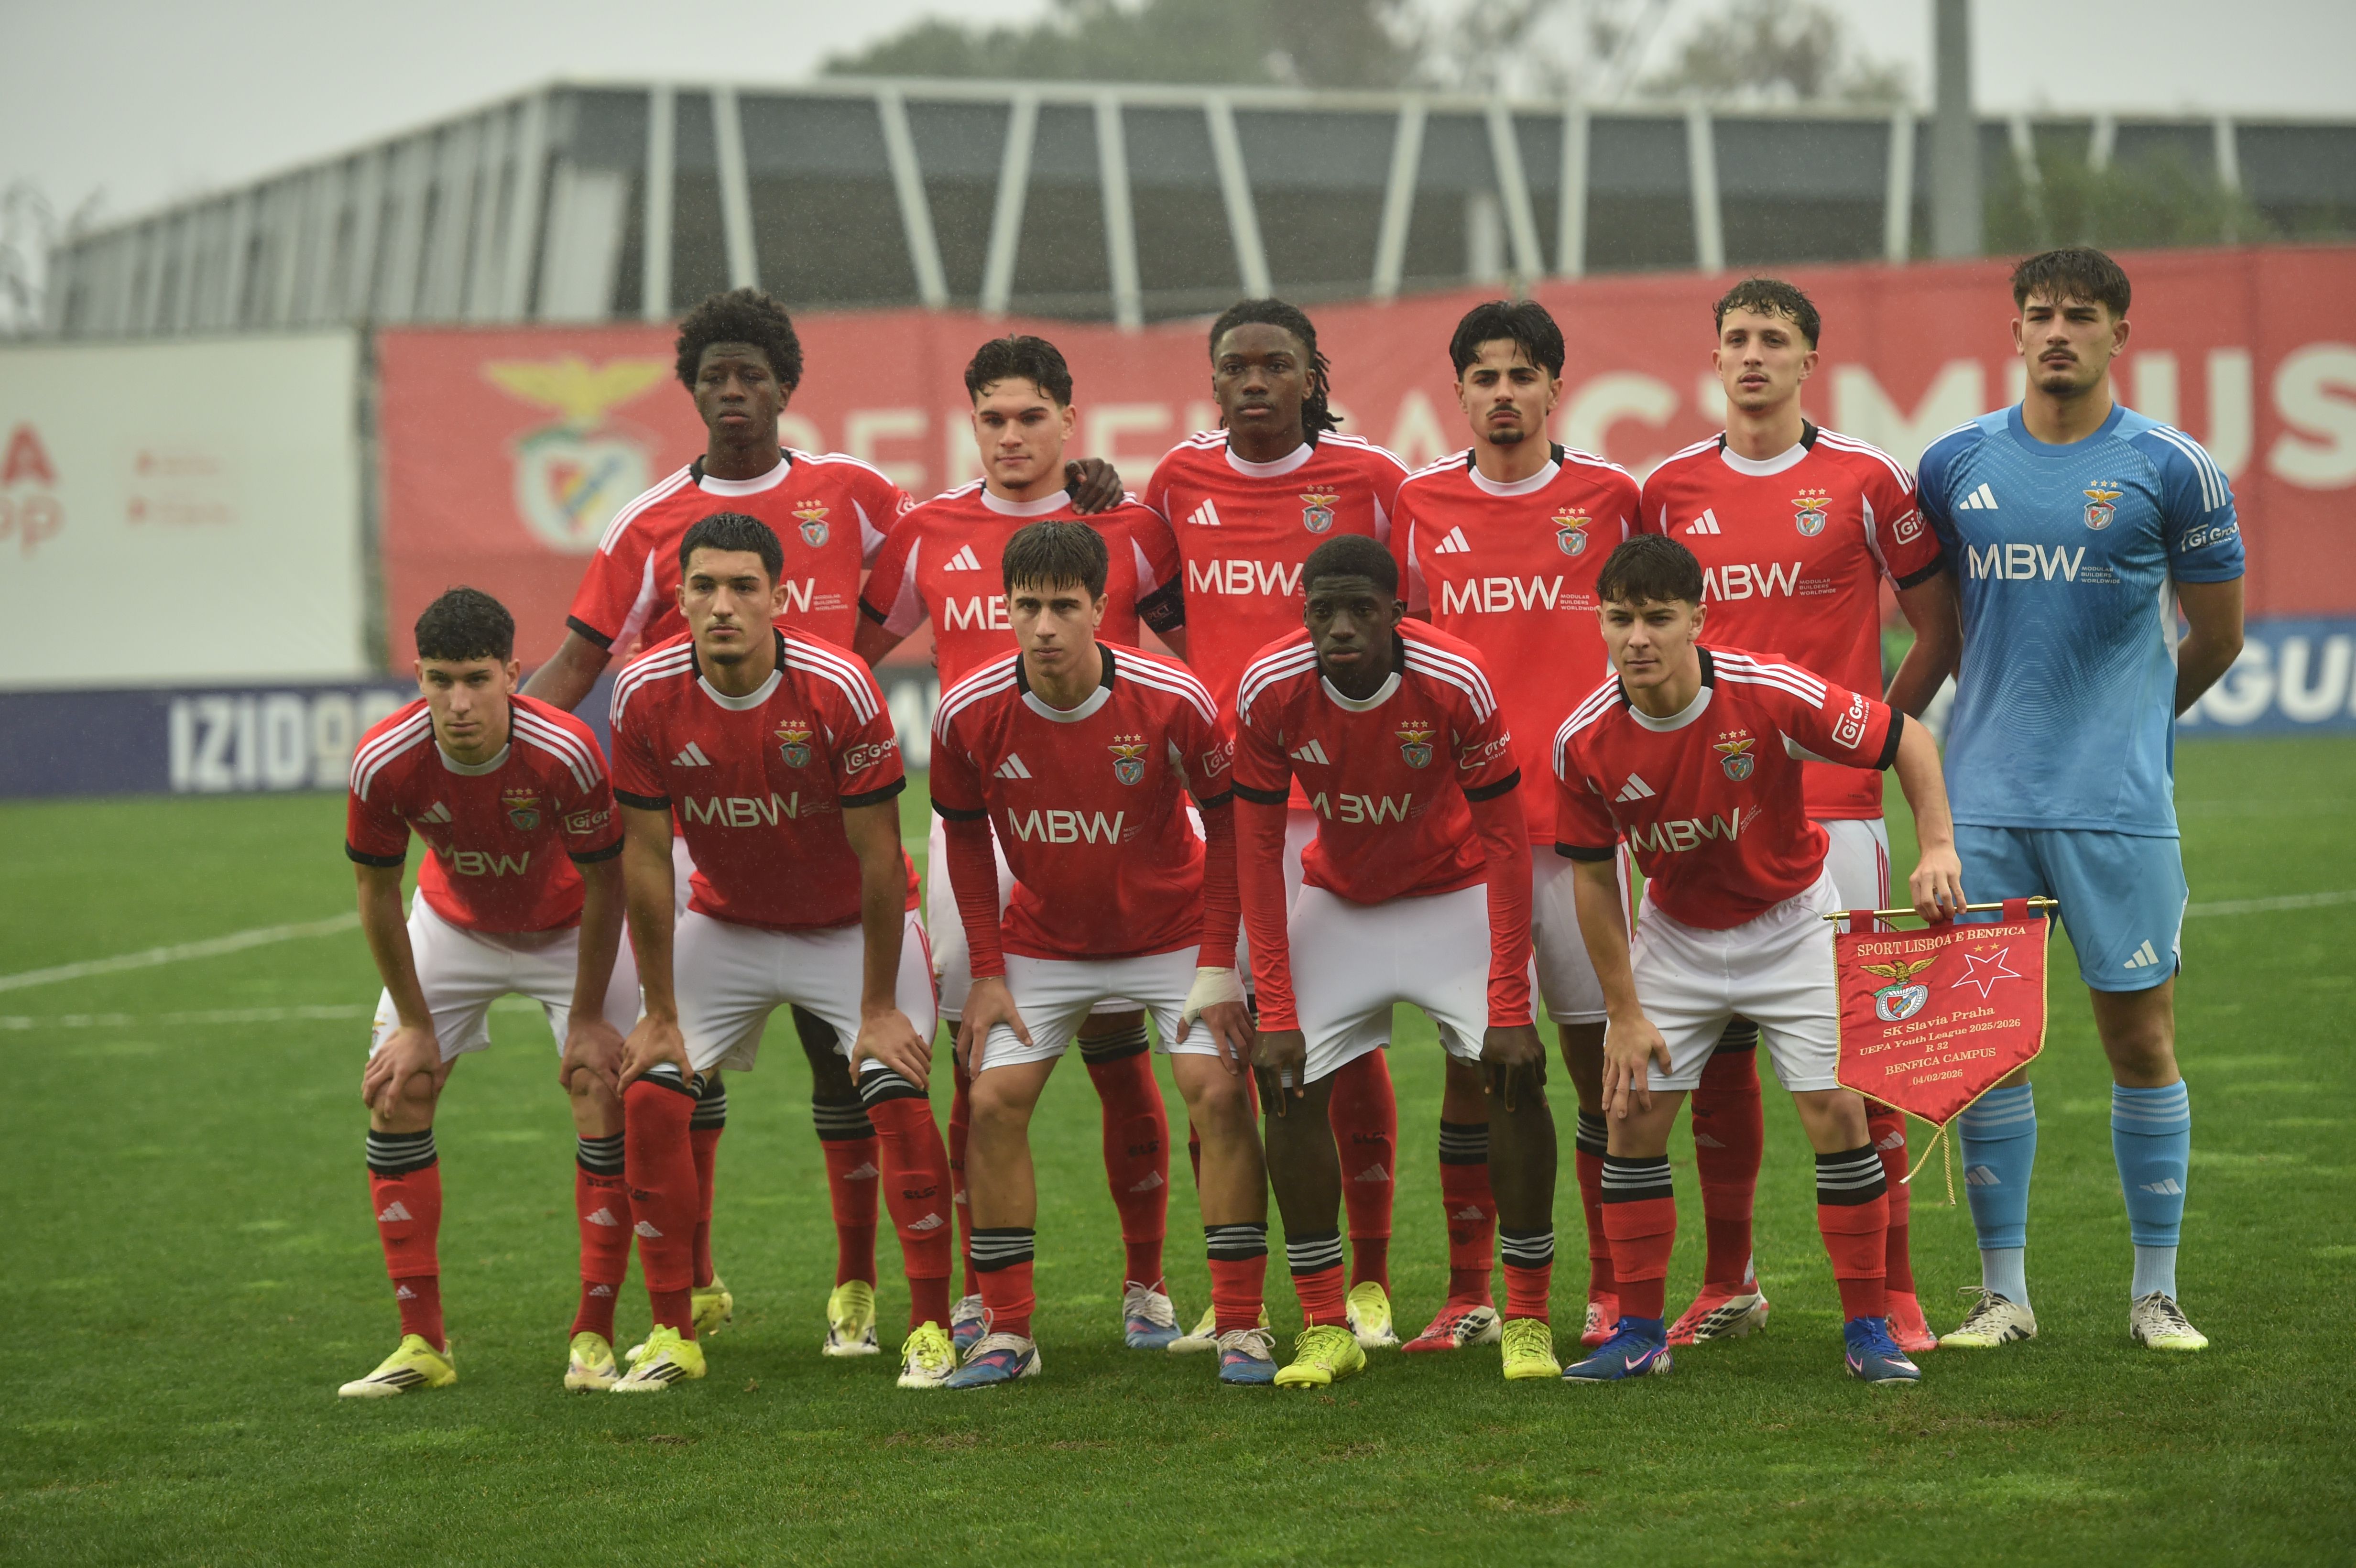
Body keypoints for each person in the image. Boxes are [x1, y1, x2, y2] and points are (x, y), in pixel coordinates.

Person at [522, 287, 1123, 1360]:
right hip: (732, 849)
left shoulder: (855, 496)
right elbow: (579, 659)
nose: (735, 392)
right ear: (692, 390)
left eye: (753, 374)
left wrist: (1072, 495)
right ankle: (686, 1291)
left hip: (849, 834)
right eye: (716, 376)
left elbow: (962, 537)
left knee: (875, 1070)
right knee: (661, 1071)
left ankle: (900, 1292)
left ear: (786, 385)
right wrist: (504, 753)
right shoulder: (646, 523)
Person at [1919, 246, 2244, 1354]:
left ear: (2119, 333)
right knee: (1985, 1046)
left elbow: (2218, 633)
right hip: (1984, 802)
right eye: (2040, 314)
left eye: (2081, 316)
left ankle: (2155, 1292)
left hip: (2115, 803)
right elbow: (1938, 629)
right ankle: (2001, 1294)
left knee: (2139, 1038)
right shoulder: (1953, 463)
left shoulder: (2174, 466)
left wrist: (2139, 730)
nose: (2058, 332)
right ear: (2014, 330)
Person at [1636, 277, 1961, 1355]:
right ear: (1714, 356)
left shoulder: (1867, 478)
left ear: (1809, 357)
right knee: (1715, 1057)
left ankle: (1898, 1290)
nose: (1753, 354)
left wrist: (1867, 734)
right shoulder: (1670, 487)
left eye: (1774, 337)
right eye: (1736, 337)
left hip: (1838, 818)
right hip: (1694, 819)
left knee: (1862, 1059)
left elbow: (1937, 625)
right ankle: (1729, 1280)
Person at [1553, 534, 1963, 1385]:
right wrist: (1623, 1012)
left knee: (1836, 1114)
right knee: (1630, 1122)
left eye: (1659, 619)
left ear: (1697, 621)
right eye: (1620, 619)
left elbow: (1909, 740)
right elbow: (1594, 884)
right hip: (1675, 935)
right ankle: (1638, 1334)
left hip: (1791, 924)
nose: (1638, 638)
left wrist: (1937, 848)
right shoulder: (1583, 741)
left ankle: (1868, 1332)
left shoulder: (1766, 690)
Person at [857, 335, 1193, 1355]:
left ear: (1067, 420)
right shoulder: (925, 531)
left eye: (1030, 416)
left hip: (1121, 819)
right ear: (973, 423)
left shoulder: (1127, 527)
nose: (1011, 435)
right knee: (982, 1059)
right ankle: (981, 1290)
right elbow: (850, 659)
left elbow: (1194, 648)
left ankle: (1146, 1284)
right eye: (993, 417)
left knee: (1118, 1050)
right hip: (984, 822)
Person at [602, 513, 953, 1392]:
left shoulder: (838, 686)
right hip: (728, 927)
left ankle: (931, 1326)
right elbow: (645, 859)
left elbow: (881, 857)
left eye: (743, 587)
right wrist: (659, 1011)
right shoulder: (642, 694)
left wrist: (876, 1009)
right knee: (648, 1095)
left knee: (896, 1090)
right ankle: (674, 1330)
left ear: (778, 597)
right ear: (679, 598)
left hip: (849, 930)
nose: (723, 605)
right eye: (705, 588)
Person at [930, 521, 1267, 1386]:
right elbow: (966, 842)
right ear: (1004, 608)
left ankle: (1240, 1325)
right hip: (1045, 945)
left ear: (1099, 610)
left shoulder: (1169, 696)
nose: (1044, 627)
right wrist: (990, 974)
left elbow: (1229, 826)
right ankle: (1009, 1335)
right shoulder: (967, 711)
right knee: (994, 1100)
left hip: (1174, 937)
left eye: (1064, 608)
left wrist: (1219, 962)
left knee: (1218, 1094)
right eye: (1028, 607)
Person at [1138, 298, 1415, 1352]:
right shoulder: (1176, 479)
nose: (1253, 381)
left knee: (1345, 1038)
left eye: (1275, 365)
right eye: (1235, 366)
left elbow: (1410, 613)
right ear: (1213, 380)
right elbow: (1162, 601)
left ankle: (1375, 1281)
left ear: (1311, 376)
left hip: (1347, 799)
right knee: (1257, 1049)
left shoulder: (1372, 477)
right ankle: (1245, 1290)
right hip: (1231, 802)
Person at [1233, 534, 1552, 1388]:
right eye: (1322, 612)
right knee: (1285, 1082)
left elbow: (1508, 843)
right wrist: (1276, 1005)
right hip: (1341, 904)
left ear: (1396, 614)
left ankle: (1525, 1317)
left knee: (1516, 1075)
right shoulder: (1269, 687)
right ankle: (1324, 1324)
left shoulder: (1455, 678)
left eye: (1360, 611)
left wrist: (1512, 999)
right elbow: (1257, 853)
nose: (1340, 628)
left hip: (1454, 897)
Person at [1390, 298, 1639, 1356]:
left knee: (1597, 1065)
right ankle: (1467, 1290)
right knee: (1473, 1062)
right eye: (1483, 376)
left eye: (1520, 374)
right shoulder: (1414, 502)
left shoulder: (1613, 499)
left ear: (1554, 386)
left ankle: (1617, 1286)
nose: (1503, 393)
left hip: (1583, 836)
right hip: (1463, 840)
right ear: (1459, 393)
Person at [338, 588, 641, 1396]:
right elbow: (376, 894)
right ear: (418, 676)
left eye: (476, 679)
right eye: (439, 681)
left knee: (601, 1090)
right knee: (397, 1092)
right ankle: (420, 1345)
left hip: (568, 929)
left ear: (514, 672)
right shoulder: (384, 758)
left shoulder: (567, 750)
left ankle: (595, 1335)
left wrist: (584, 1018)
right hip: (454, 926)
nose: (459, 703)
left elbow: (608, 884)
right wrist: (412, 1024)